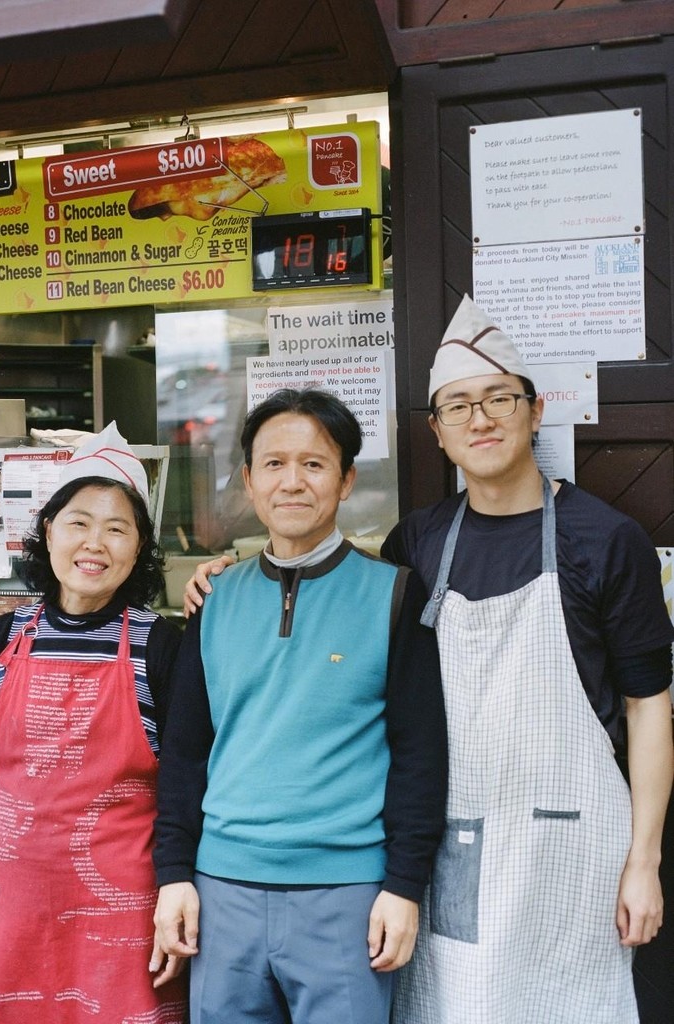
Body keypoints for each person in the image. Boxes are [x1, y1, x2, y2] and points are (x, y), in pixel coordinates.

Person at [184, 298, 674, 1023]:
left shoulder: (604, 540)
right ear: (437, 434)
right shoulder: (418, 541)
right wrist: (224, 574)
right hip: (453, 841)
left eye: (497, 399)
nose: (480, 419)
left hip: (571, 847)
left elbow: (648, 706)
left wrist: (643, 860)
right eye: (457, 407)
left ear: (533, 412)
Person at [153, 388, 448, 1024]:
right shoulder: (212, 601)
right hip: (221, 891)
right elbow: (184, 753)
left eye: (314, 464)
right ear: (250, 482)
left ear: (345, 481)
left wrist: (403, 886)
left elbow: (421, 755)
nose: (293, 482)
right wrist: (173, 873)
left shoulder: (394, 594)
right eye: (274, 464)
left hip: (347, 896)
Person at [0, 422, 188, 1024]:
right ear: (48, 531)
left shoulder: (161, 644)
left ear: (138, 548)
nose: (94, 543)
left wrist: (176, 893)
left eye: (117, 528)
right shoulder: (4, 636)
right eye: (79, 522)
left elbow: (186, 781)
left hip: (125, 900)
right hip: (13, 896)